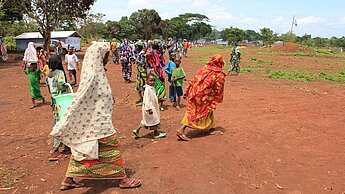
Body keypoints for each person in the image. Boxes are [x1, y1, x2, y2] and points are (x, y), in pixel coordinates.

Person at [51, 42, 141, 191]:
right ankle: (122, 178)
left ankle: (68, 179)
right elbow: (81, 96)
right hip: (97, 121)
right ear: (99, 56)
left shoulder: (97, 72)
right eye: (106, 55)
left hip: (97, 119)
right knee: (112, 146)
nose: (108, 57)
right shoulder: (92, 75)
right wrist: (67, 118)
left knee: (83, 148)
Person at [176, 54, 226, 141]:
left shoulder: (204, 70)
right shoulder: (219, 74)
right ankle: (181, 129)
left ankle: (211, 128)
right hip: (205, 97)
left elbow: (193, 80)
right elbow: (219, 87)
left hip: (195, 93)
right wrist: (218, 97)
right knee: (195, 113)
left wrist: (187, 91)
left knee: (207, 111)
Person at [46, 56, 69, 160]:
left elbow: (49, 90)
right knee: (61, 124)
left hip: (54, 102)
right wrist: (67, 85)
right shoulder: (59, 73)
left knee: (60, 122)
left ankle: (67, 146)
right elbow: (60, 86)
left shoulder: (48, 75)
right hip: (62, 102)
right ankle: (54, 150)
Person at [132, 73, 166, 139]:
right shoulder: (147, 89)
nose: (152, 82)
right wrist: (149, 108)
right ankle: (156, 133)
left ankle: (137, 130)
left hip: (152, 106)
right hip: (150, 108)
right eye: (150, 80)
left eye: (153, 80)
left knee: (146, 120)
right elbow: (146, 100)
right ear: (147, 80)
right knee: (155, 119)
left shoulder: (151, 88)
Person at [146, 41, 166, 111]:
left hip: (153, 71)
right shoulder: (160, 53)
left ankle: (154, 104)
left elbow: (146, 57)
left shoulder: (151, 53)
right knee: (161, 87)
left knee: (153, 87)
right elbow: (163, 63)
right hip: (159, 72)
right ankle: (161, 105)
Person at [135, 40, 147, 106]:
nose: (135, 48)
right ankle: (141, 98)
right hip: (140, 72)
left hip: (142, 73)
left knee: (142, 86)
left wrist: (136, 61)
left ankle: (143, 100)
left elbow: (143, 63)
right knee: (139, 86)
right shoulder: (140, 54)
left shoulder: (142, 54)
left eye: (136, 46)